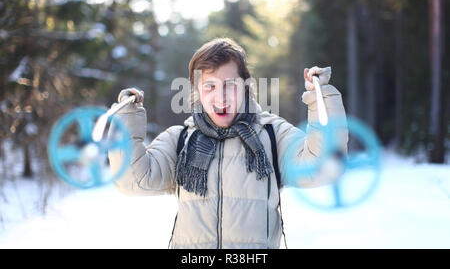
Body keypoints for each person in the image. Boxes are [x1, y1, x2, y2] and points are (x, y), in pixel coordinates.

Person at [108, 37, 348, 249]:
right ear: (197, 91)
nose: (221, 96)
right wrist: (128, 116)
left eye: (230, 85)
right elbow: (132, 181)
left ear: (245, 87)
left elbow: (324, 168)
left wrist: (321, 99)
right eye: (209, 86)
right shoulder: (180, 139)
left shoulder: (272, 135)